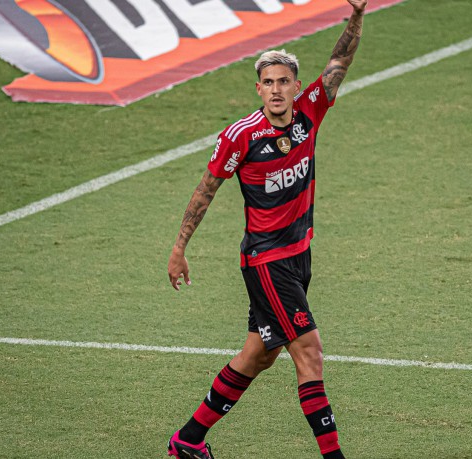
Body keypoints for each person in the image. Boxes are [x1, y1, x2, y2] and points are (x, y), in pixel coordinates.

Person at [166, 1, 368, 458]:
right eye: (268, 83)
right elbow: (206, 190)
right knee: (310, 355)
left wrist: (356, 17)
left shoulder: (310, 112)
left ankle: (187, 441)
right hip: (266, 261)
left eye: (284, 82)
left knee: (259, 355)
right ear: (258, 88)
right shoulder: (241, 136)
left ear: (297, 86)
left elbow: (340, 61)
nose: (276, 90)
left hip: (299, 256)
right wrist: (179, 247)